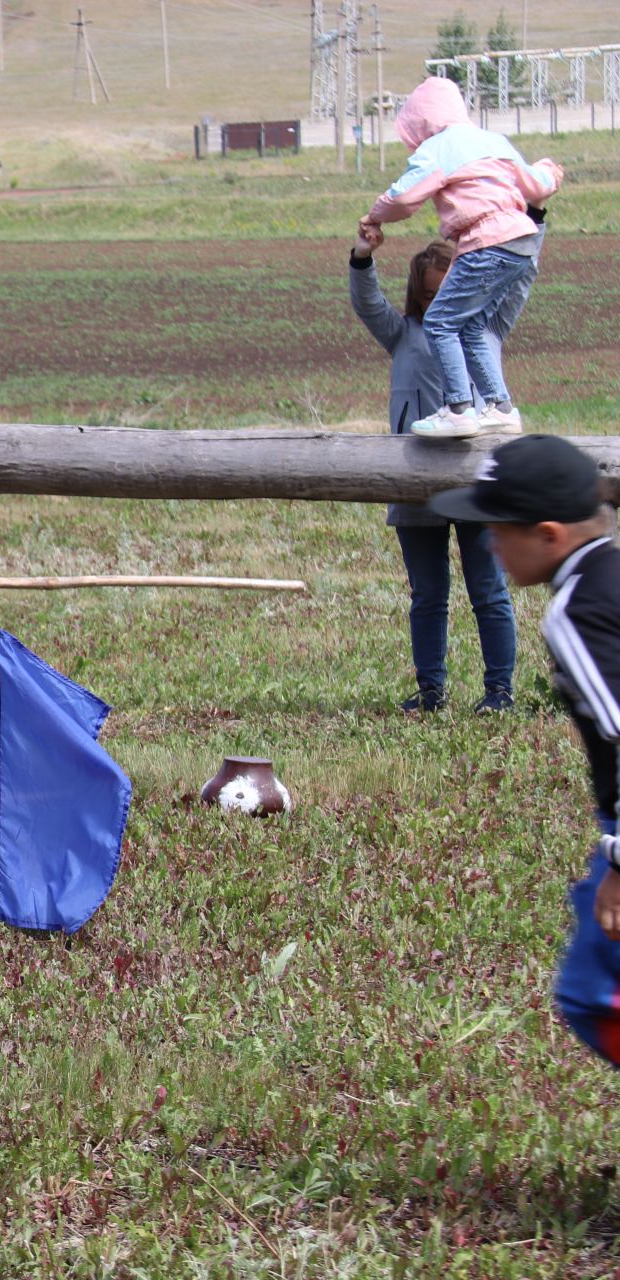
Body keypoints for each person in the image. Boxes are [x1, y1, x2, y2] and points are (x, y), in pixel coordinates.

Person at [425, 437, 620, 1070]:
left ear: (548, 535)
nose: (487, 544)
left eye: (496, 529)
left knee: (597, 996)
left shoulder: (579, 611)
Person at [349, 208, 548, 713]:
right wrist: (363, 255)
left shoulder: (489, 329)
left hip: (481, 484)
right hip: (415, 486)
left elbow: (521, 276)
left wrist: (534, 218)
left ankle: (499, 692)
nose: (443, 303)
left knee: (489, 590)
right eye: (433, 295)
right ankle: (431, 691)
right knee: (428, 595)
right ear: (419, 295)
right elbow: (368, 302)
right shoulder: (403, 334)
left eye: (450, 291)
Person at [360, 75, 562, 439]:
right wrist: (549, 173)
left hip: (484, 242)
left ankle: (457, 409)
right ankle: (499, 406)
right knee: (471, 326)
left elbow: (405, 198)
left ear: (421, 124)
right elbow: (534, 185)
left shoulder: (438, 148)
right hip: (521, 242)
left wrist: (376, 216)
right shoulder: (494, 141)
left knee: (439, 322)